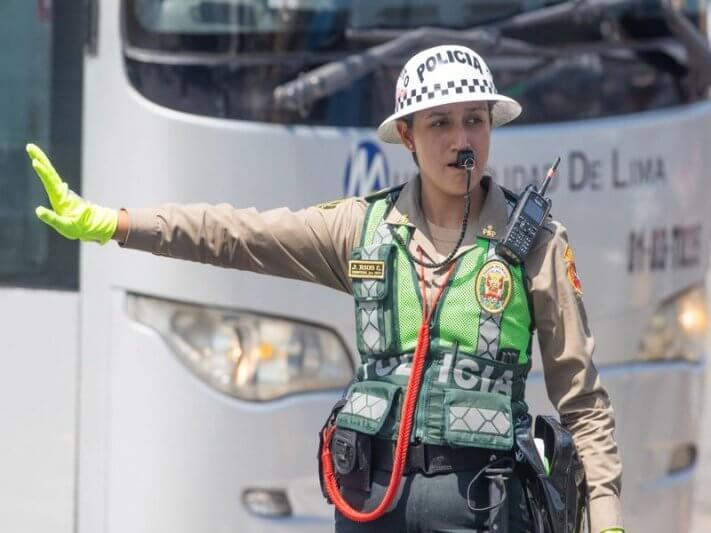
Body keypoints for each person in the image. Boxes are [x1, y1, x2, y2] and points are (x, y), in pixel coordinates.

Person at [26, 45, 624, 533]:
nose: (460, 137)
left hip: (486, 506)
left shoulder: (536, 241)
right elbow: (237, 233)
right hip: (370, 502)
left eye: (474, 119)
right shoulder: (359, 229)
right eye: (439, 123)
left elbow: (583, 401)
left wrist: (609, 520)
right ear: (409, 138)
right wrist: (117, 224)